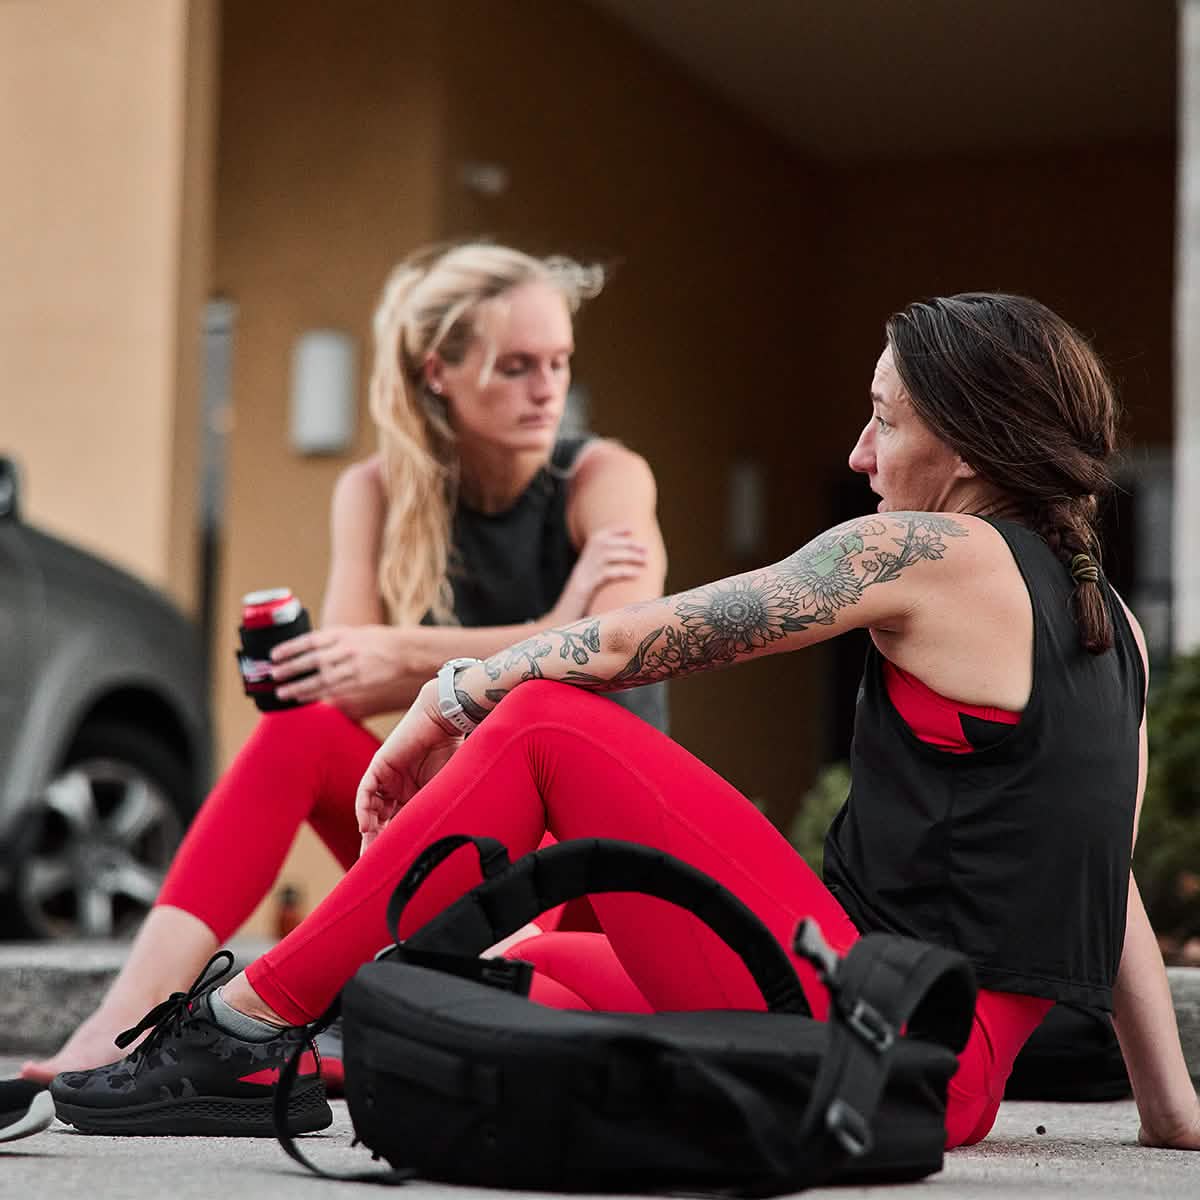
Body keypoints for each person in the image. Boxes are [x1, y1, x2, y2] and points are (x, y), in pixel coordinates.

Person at [48, 293, 1200, 1151]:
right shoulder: (1117, 631)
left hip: (880, 1033)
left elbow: (621, 640)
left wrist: (446, 699)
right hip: (934, 1060)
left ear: (963, 440)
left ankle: (242, 1026)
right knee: (538, 961)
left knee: (549, 722)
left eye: (883, 421)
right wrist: (1171, 1109)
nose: (858, 455)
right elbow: (1113, 886)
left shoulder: (935, 549)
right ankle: (313, 1058)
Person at [20, 241, 668, 1089]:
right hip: (467, 846)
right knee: (302, 734)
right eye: (515, 367)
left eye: (557, 362)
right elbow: (341, 681)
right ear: (439, 372)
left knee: (529, 1008)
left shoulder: (606, 479)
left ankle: (338, 1034)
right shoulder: (375, 490)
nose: (548, 388)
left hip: (591, 862)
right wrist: (544, 629)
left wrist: (428, 650)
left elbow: (616, 651)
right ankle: (120, 1024)